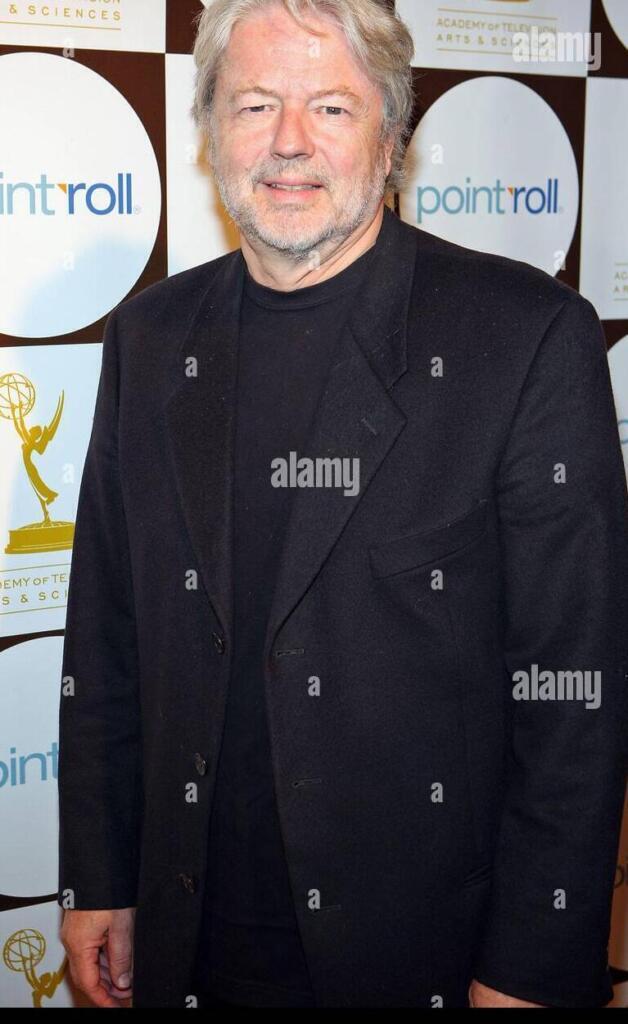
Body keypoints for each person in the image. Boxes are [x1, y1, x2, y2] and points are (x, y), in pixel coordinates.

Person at [58, 0, 628, 1009]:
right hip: (191, 938)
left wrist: (528, 970)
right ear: (209, 130)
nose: (288, 141)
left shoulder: (525, 339)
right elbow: (106, 635)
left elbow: (572, 695)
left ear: (392, 135)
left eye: (329, 106)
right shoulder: (148, 339)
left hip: (421, 957)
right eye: (253, 105)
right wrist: (99, 875)